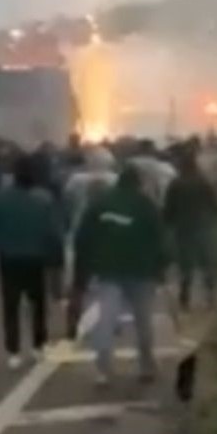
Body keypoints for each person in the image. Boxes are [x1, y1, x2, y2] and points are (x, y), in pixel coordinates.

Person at [75, 164, 167, 386]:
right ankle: (146, 366)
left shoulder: (100, 203)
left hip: (107, 270)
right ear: (139, 183)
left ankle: (103, 370)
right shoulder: (147, 205)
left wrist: (82, 273)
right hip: (141, 271)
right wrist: (161, 268)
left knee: (105, 319)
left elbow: (83, 238)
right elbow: (160, 240)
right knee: (143, 320)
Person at [0, 154, 62, 369]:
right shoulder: (44, 199)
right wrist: (57, 257)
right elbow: (52, 232)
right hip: (36, 257)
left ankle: (13, 350)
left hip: (9, 257)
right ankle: (38, 345)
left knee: (10, 305)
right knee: (37, 304)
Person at [63, 146, 118, 336]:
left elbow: (67, 204)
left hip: (81, 234)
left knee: (78, 286)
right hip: (110, 236)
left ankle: (72, 322)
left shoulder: (76, 180)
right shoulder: (115, 181)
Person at [163, 149, 217, 312]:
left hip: (183, 228)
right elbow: (214, 205)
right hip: (203, 227)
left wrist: (168, 225)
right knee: (207, 263)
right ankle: (210, 296)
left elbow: (169, 208)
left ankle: (185, 296)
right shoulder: (203, 182)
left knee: (185, 265)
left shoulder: (176, 183)